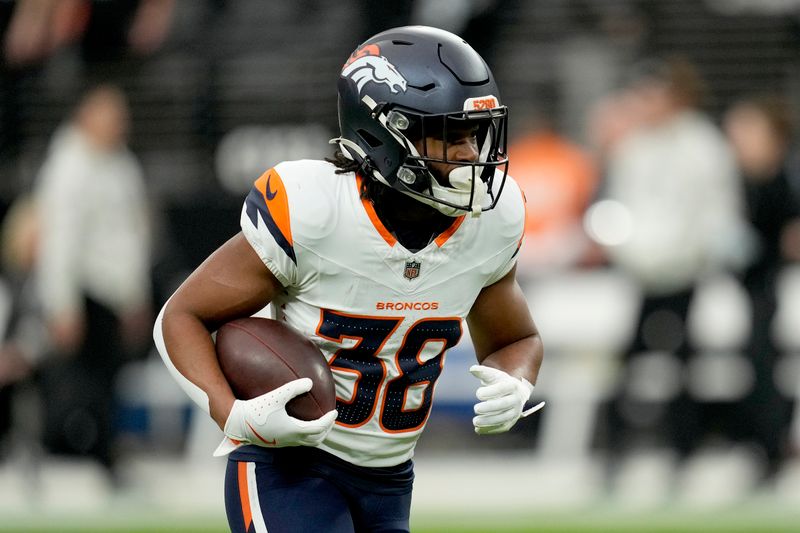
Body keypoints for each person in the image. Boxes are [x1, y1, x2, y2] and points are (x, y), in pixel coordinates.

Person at [154, 25, 545, 533]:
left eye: (473, 134)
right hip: (290, 469)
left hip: (391, 480)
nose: (471, 155)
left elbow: (518, 338)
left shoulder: (492, 222)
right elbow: (181, 316)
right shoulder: (316, 211)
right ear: (383, 133)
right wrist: (231, 414)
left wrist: (516, 380)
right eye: (448, 136)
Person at [595, 57, 748, 461]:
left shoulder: (704, 146)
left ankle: (684, 451)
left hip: (687, 273)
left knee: (683, 366)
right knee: (628, 363)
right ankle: (615, 454)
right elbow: (620, 205)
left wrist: (689, 256)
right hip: (643, 273)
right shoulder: (634, 147)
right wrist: (631, 253)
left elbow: (717, 213)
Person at [33, 84, 152, 474]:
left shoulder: (122, 165)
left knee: (109, 387)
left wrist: (136, 296)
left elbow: (135, 236)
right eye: (111, 114)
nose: (121, 123)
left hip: (115, 296)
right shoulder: (69, 166)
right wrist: (62, 304)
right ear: (86, 117)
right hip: (87, 292)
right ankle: (60, 458)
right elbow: (59, 241)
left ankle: (102, 459)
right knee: (78, 387)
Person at [723, 93, 800, 476]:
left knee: (766, 362)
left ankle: (773, 446)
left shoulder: (786, 177)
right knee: (754, 364)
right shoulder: (731, 180)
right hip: (743, 291)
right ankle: (758, 444)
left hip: (773, 290)